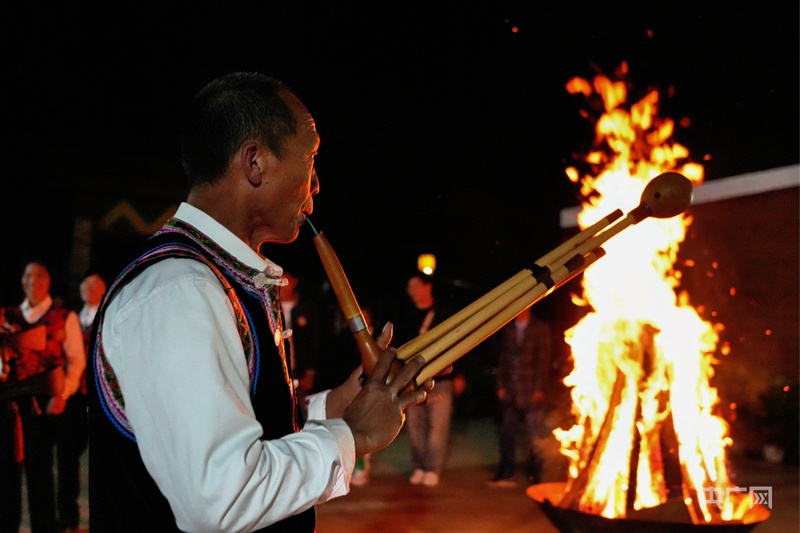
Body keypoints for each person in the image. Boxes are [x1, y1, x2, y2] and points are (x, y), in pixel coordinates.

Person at [87, 71, 437, 532]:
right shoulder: (180, 291)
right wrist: (354, 434)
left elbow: (240, 418)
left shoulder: (216, 278)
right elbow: (220, 498)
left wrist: (335, 405)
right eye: (310, 159)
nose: (315, 185)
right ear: (255, 162)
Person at [0, 261, 85, 533]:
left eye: (38, 276)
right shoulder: (8, 316)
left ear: (47, 281)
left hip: (45, 404)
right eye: (27, 276)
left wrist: (63, 393)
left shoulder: (63, 316)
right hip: (10, 403)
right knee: (7, 468)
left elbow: (76, 360)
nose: (32, 281)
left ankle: (44, 526)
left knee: (40, 468)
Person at [394, 272, 460, 488]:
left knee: (437, 427)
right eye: (408, 287)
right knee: (414, 426)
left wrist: (459, 374)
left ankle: (432, 469)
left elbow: (457, 345)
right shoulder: (406, 315)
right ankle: (419, 466)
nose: (411, 291)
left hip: (441, 378)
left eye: (415, 286)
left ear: (427, 287)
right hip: (413, 380)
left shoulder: (444, 313)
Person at [56, 273, 105, 532]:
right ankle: (68, 514)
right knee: (67, 454)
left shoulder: (109, 314)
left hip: (100, 396)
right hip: (76, 395)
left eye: (95, 285)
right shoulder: (73, 318)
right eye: (85, 285)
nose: (89, 289)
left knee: (100, 459)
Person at [488, 305, 553, 488]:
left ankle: (536, 474)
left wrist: (540, 388)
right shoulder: (509, 328)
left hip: (531, 389)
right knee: (507, 433)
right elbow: (504, 359)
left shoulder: (540, 328)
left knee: (534, 435)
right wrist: (501, 385)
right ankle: (506, 472)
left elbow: (543, 360)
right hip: (511, 390)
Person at [280, 270, 321, 425]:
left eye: (286, 279)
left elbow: (314, 340)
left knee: (302, 409)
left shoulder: (306, 306)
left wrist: (310, 372)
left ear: (294, 281)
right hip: (281, 370)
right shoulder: (271, 305)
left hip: (301, 370)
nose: (282, 283)